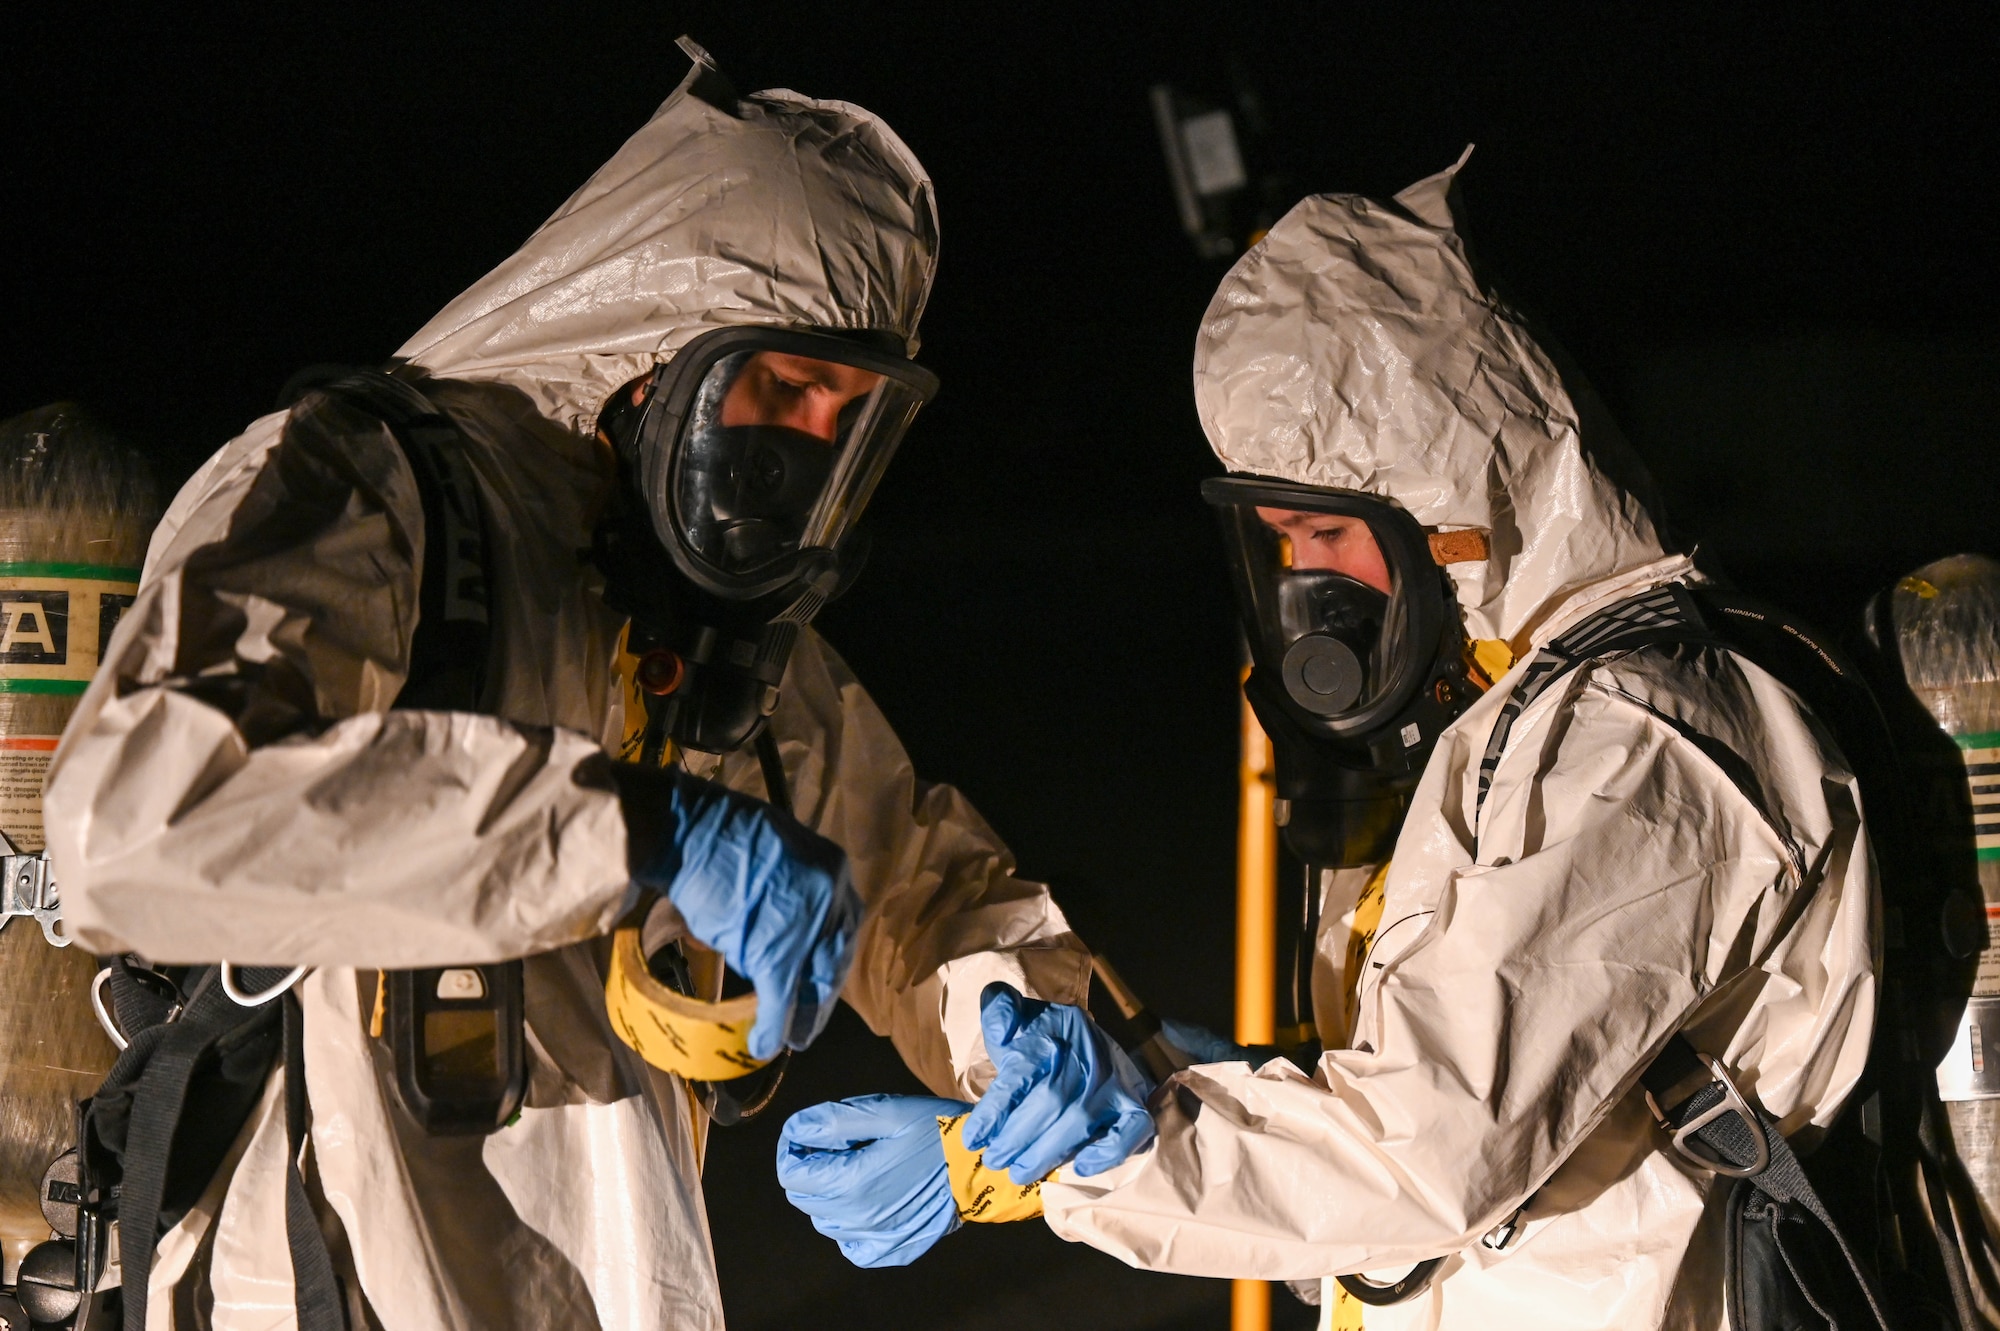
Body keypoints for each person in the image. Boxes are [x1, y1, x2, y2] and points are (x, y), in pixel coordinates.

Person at [44, 41, 1087, 1330]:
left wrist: (1016, 1027)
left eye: (848, 413)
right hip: (315, 1281)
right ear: (661, 357)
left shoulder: (715, 643)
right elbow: (133, 824)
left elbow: (918, 884)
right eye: (787, 385)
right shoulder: (367, 494)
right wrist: (632, 829)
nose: (809, 444)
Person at [777, 155, 1877, 1330]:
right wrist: (1195, 1087)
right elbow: (1427, 1175)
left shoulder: (1643, 745)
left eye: (1319, 532)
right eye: (1277, 543)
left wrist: (1068, 1159)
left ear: (1455, 507)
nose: (1301, 586)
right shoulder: (1524, 725)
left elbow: (1419, 1161)